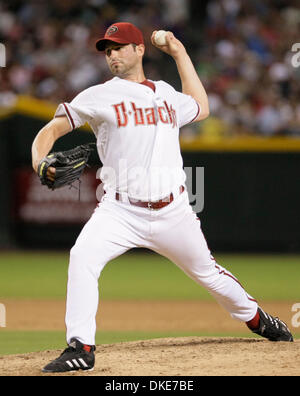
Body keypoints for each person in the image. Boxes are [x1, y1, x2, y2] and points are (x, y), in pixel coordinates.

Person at [31, 22, 293, 373]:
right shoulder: (98, 96)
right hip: (120, 210)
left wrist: (179, 52)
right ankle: (81, 346)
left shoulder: (166, 93)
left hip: (174, 212)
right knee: (82, 257)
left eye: (119, 47)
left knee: (210, 275)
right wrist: (38, 161)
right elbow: (51, 129)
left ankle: (257, 318)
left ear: (139, 50)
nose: (112, 55)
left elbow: (201, 106)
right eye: (107, 50)